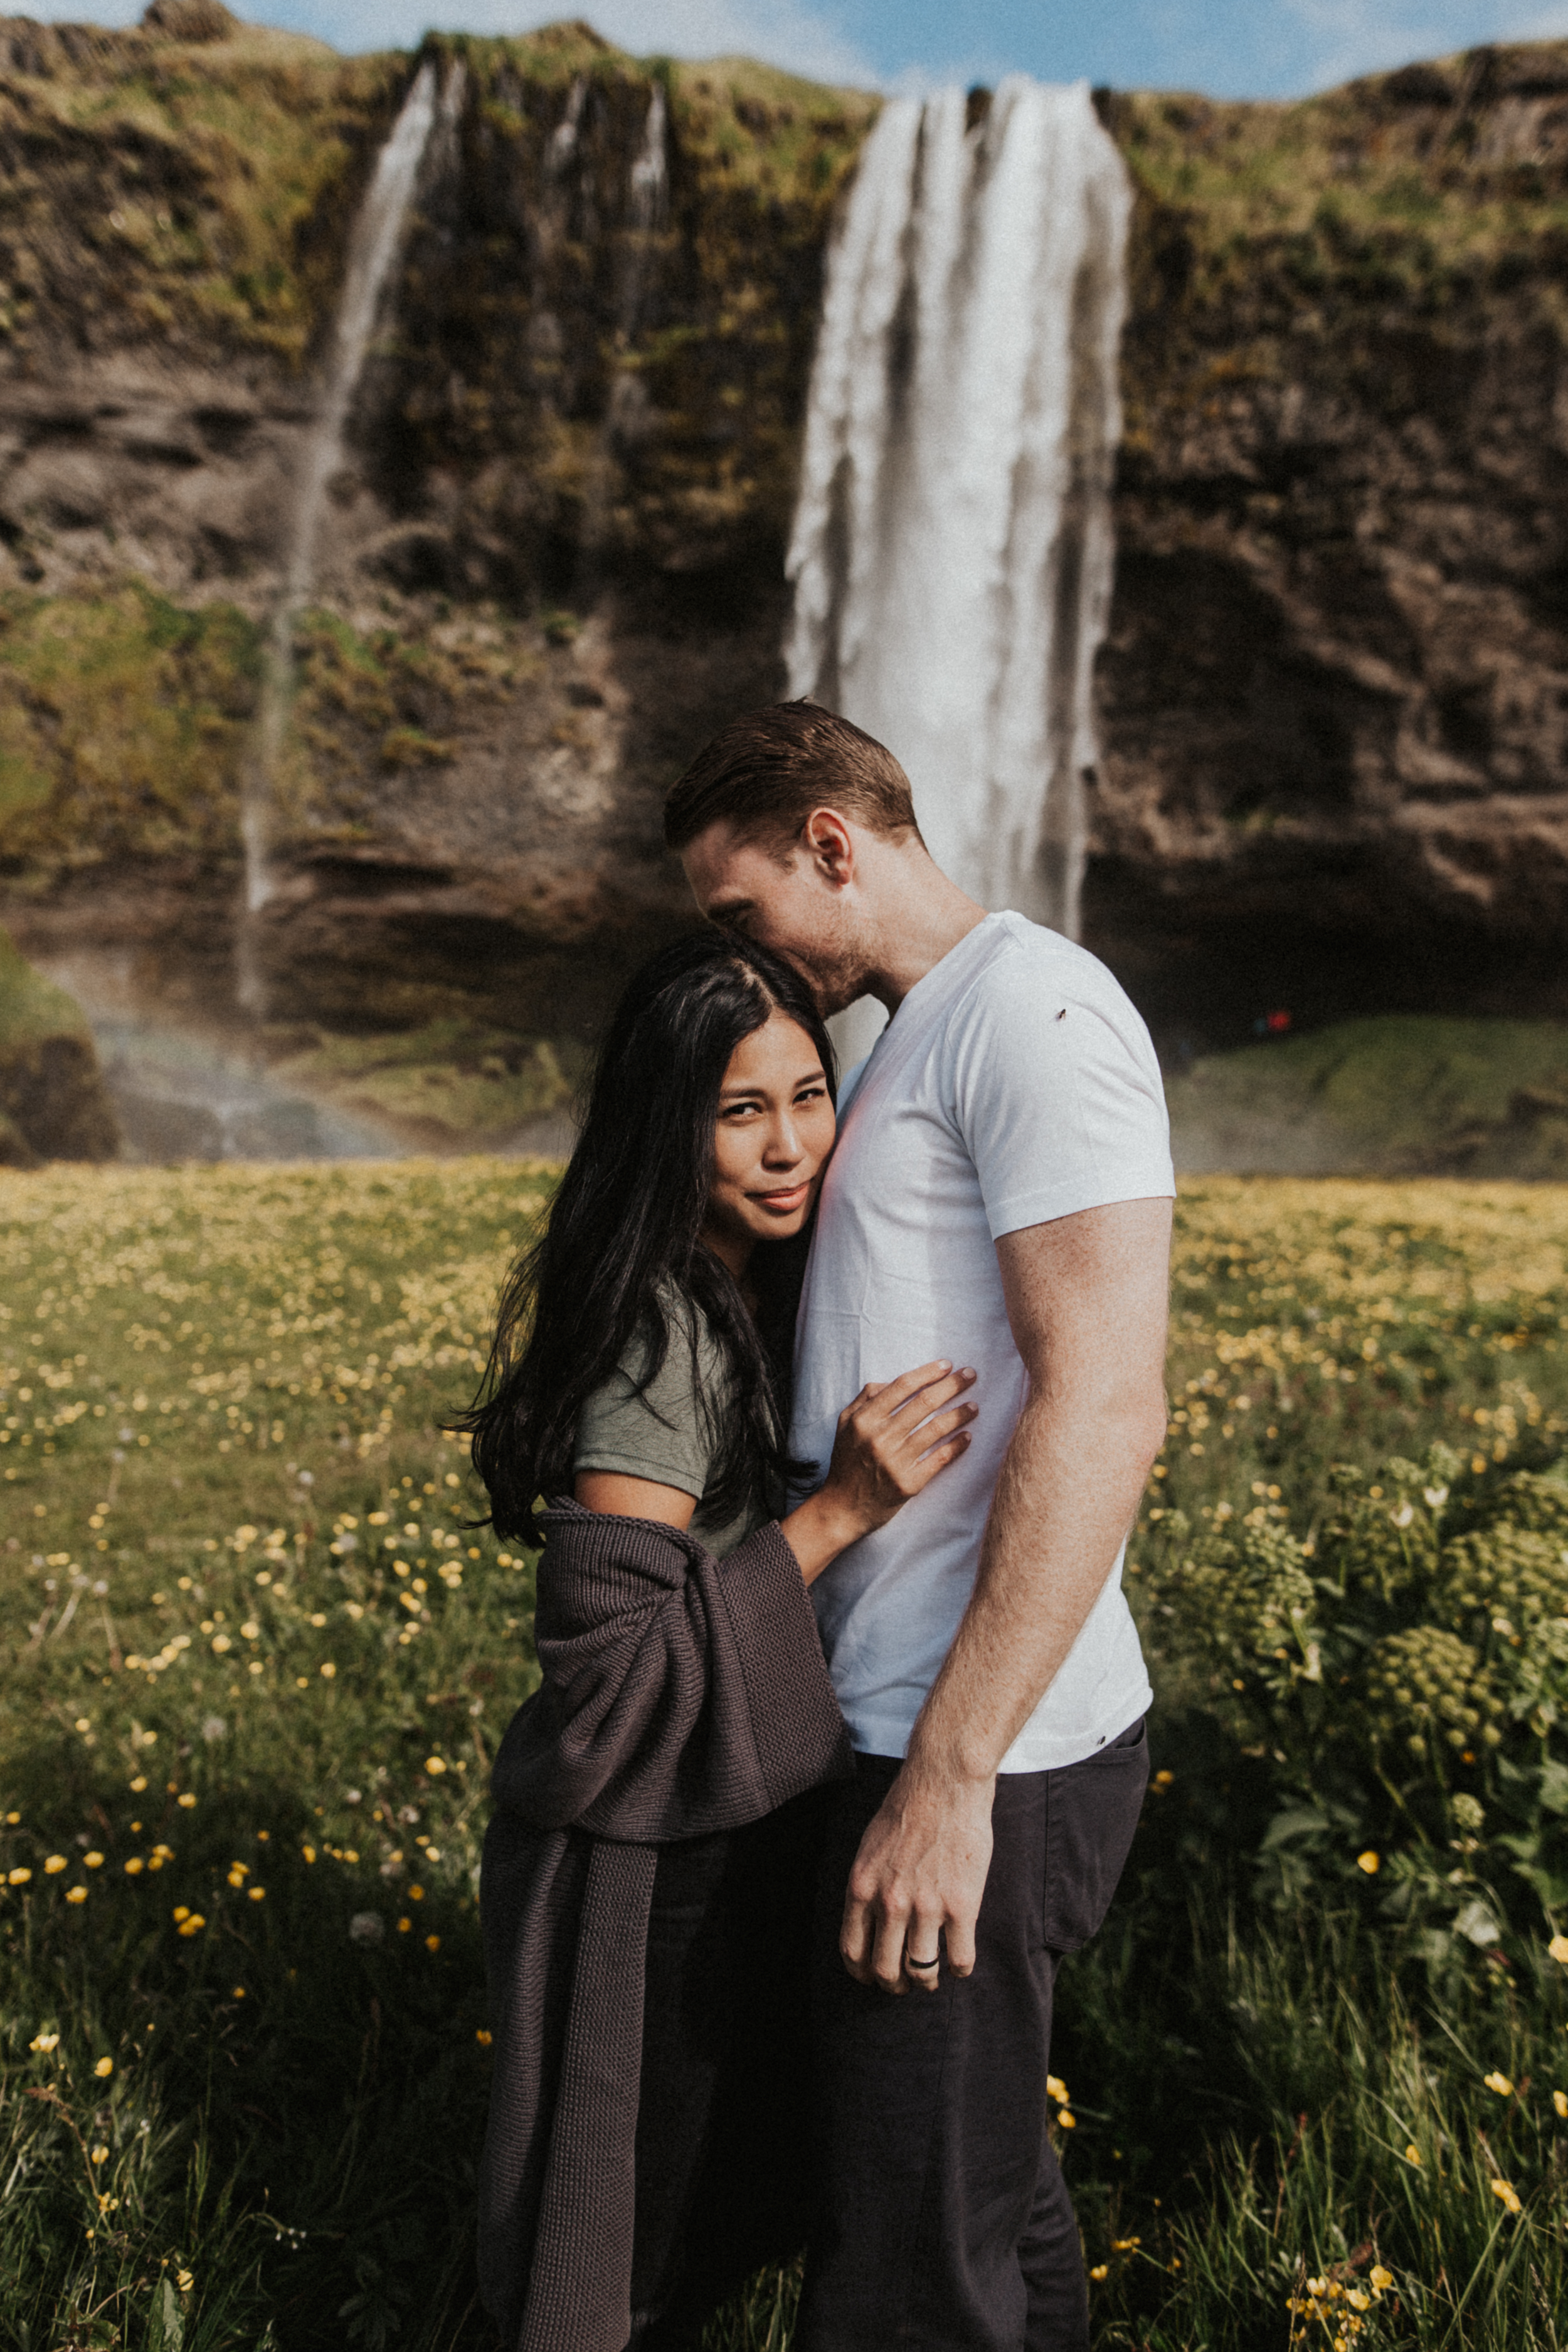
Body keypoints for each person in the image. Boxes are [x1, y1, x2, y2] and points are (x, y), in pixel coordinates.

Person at [665, 701, 1175, 2352]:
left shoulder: (1033, 1012)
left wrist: (951, 1775)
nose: (733, 953)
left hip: (981, 1748)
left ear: (831, 842)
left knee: (901, 2270)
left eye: (740, 912)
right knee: (970, 2199)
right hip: (904, 1716)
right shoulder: (905, 1031)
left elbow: (1104, 1399)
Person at [458, 929, 979, 2352]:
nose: (788, 1145)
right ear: (666, 1123)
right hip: (648, 1869)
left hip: (727, 1827)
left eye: (808, 1095)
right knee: (630, 2263)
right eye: (738, 1112)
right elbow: (607, 1685)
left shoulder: (753, 1290)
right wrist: (845, 1509)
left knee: (697, 2217)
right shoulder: (659, 1335)